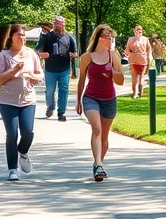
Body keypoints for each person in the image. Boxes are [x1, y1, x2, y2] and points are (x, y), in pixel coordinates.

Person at [0, 24, 44, 181]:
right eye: (19, 35)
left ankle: (23, 151)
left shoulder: (31, 54)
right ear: (11, 37)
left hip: (28, 99)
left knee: (28, 132)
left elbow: (40, 74)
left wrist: (34, 77)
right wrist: (14, 70)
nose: (22, 38)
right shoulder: (4, 55)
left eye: (24, 36)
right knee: (12, 133)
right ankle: (12, 169)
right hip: (7, 100)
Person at [76, 24, 125, 181]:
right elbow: (81, 80)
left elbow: (121, 81)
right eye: (107, 38)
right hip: (91, 97)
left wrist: (113, 71)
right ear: (98, 38)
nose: (110, 40)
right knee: (96, 128)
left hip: (109, 99)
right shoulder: (86, 57)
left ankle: (99, 164)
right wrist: (78, 101)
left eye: (111, 38)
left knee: (104, 136)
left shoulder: (113, 55)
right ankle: (98, 165)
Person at [37, 15, 78, 122]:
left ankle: (61, 112)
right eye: (57, 24)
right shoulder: (47, 37)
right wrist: (43, 55)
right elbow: (39, 52)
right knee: (50, 91)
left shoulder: (69, 37)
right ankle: (50, 107)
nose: (60, 26)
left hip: (64, 69)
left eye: (62, 24)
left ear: (64, 25)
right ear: (54, 25)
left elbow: (75, 53)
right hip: (50, 69)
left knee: (64, 90)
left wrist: (73, 55)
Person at [124, 24, 153, 99]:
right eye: (137, 29)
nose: (138, 31)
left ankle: (140, 92)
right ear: (134, 31)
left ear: (142, 31)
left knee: (141, 78)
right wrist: (129, 54)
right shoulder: (130, 39)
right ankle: (134, 93)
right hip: (133, 60)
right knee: (134, 78)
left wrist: (148, 57)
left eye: (140, 30)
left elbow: (149, 49)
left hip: (143, 60)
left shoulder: (145, 39)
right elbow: (127, 50)